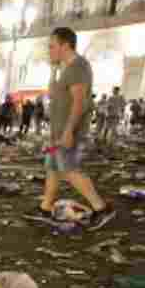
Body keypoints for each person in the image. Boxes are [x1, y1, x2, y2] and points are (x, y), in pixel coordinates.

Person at [36, 27, 114, 229]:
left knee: (69, 170)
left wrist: (69, 131)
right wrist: (53, 69)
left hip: (68, 132)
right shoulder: (65, 69)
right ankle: (45, 208)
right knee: (52, 168)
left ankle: (101, 208)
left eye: (52, 46)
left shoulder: (78, 67)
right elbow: (52, 93)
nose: (49, 50)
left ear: (65, 45)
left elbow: (80, 102)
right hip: (57, 132)